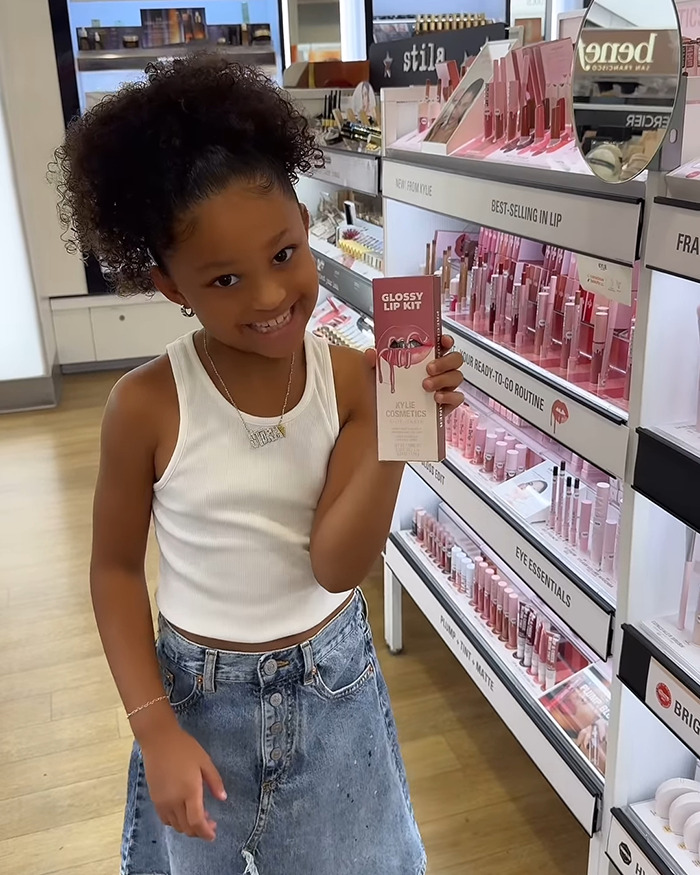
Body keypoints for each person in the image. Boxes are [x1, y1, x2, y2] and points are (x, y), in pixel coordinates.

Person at [52, 55, 465, 875]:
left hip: (335, 687)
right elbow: (113, 570)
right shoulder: (146, 406)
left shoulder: (351, 381)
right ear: (170, 285)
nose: (271, 297)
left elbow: (338, 563)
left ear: (307, 227)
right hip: (198, 703)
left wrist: (399, 420)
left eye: (284, 255)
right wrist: (152, 725)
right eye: (226, 279)